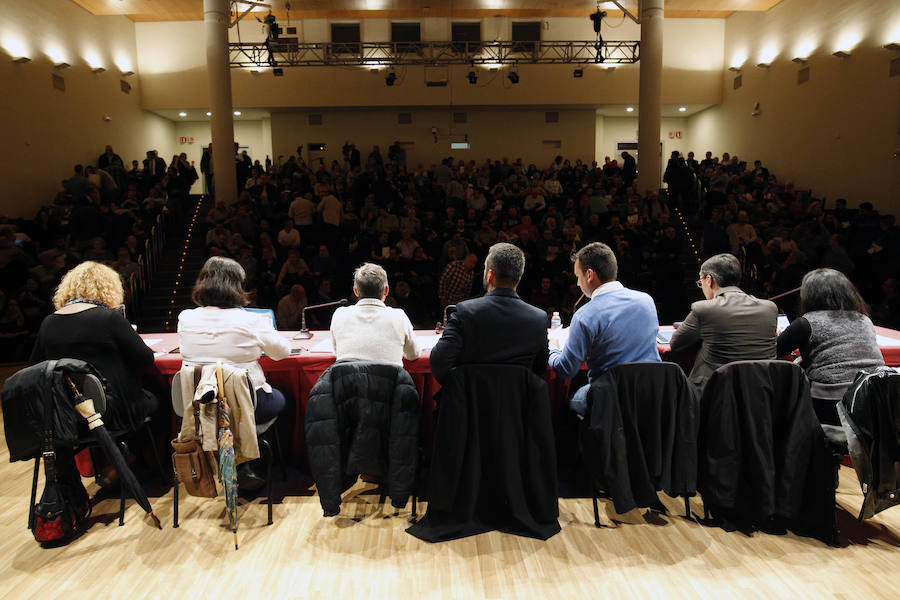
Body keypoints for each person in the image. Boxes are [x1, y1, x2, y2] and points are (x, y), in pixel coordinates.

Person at [29, 261, 159, 496]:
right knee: (154, 399)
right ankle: (133, 462)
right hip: (113, 411)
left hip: (68, 415)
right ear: (108, 288)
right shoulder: (108, 318)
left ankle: (121, 464)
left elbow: (34, 369)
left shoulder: (49, 323)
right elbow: (145, 360)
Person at [177, 256, 291, 489]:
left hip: (199, 409)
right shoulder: (252, 321)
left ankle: (233, 463)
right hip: (248, 405)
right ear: (237, 286)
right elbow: (282, 353)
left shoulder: (185, 318)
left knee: (225, 408)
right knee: (283, 399)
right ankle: (254, 464)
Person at [548, 242, 660, 416]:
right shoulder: (647, 301)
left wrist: (553, 346)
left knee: (569, 402)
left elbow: (566, 369)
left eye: (578, 276)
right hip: (651, 395)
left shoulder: (585, 315)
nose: (577, 283)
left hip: (609, 399)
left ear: (590, 275)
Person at [776, 268, 884, 425]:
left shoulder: (806, 322)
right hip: (873, 400)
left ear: (809, 296)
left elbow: (774, 350)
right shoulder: (864, 319)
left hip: (832, 403)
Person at [430, 243, 548, 385]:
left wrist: (460, 389)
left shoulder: (465, 311)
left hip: (469, 402)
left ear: (490, 274)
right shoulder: (539, 318)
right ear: (518, 276)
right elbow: (540, 368)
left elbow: (438, 362)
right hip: (517, 404)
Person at [670, 253, 777, 392]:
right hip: (761, 392)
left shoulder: (703, 309)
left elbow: (676, 344)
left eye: (700, 282)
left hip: (714, 395)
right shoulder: (770, 308)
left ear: (709, 280)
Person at [329, 263, 420, 366]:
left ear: (355, 291)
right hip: (389, 381)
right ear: (386, 290)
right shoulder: (399, 316)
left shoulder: (339, 315)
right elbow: (413, 354)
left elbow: (337, 353)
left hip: (348, 381)